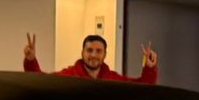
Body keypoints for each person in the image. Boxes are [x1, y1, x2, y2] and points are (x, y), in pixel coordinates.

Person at [22, 32, 159, 83]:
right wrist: (30, 60)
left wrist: (150, 68)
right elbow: (39, 82)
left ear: (105, 54)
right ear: (82, 53)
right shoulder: (68, 76)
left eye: (98, 51)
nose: (93, 55)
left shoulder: (113, 79)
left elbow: (142, 88)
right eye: (89, 50)